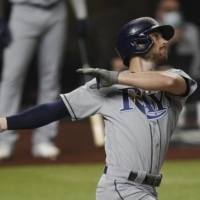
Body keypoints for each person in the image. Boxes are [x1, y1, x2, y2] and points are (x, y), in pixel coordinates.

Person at [0, 17, 197, 199]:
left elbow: (168, 82)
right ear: (138, 43)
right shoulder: (103, 87)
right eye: (156, 36)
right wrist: (3, 123)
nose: (165, 41)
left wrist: (115, 77)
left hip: (148, 189)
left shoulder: (173, 78)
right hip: (121, 187)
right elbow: (53, 110)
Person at [0, 0, 88, 160]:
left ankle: (43, 140)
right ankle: (3, 140)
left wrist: (81, 15)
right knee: (12, 76)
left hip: (56, 10)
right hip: (22, 10)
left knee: (51, 76)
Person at [154, 0, 200, 129]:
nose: (173, 14)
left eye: (176, 10)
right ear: (159, 12)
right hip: (157, 75)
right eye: (168, 10)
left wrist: (183, 39)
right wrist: (169, 41)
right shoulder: (151, 30)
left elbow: (196, 60)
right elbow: (147, 58)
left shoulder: (190, 30)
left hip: (186, 75)